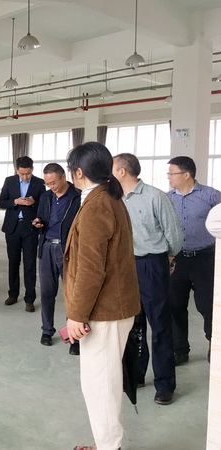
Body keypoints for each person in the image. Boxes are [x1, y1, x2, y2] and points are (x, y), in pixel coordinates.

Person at [64, 142, 140, 450]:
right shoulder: (107, 197)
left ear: (79, 172)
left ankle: (110, 446)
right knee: (104, 380)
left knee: (100, 385)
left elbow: (91, 269)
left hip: (104, 310)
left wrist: (76, 314)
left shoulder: (97, 205)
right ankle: (108, 443)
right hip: (112, 306)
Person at [113, 153, 183, 405]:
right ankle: (136, 375)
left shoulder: (155, 196)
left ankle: (164, 384)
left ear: (122, 171)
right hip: (125, 266)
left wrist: (167, 257)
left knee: (160, 324)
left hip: (152, 264)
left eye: (112, 169)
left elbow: (174, 234)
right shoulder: (114, 198)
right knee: (133, 324)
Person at [166, 156, 220, 365]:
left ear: (186, 175)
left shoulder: (211, 196)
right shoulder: (167, 198)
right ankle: (179, 350)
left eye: (172, 173)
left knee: (207, 306)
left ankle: (214, 345)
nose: (169, 177)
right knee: (175, 305)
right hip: (177, 259)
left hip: (205, 259)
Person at [31, 163, 80, 351]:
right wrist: (38, 223)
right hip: (46, 248)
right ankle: (47, 331)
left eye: (53, 183)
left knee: (72, 294)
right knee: (47, 292)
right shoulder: (46, 197)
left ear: (63, 177)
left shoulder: (77, 197)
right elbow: (41, 217)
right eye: (47, 184)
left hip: (67, 249)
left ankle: (74, 337)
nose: (51, 187)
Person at [0, 156, 46, 312]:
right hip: (12, 227)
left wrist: (33, 203)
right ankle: (13, 294)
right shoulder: (9, 181)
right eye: (22, 174)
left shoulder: (39, 183)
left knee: (30, 264)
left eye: (28, 173)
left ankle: (29, 299)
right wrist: (15, 202)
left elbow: (44, 205)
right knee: (13, 262)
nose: (25, 177)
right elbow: (1, 202)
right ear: (16, 170)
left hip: (30, 228)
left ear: (32, 170)